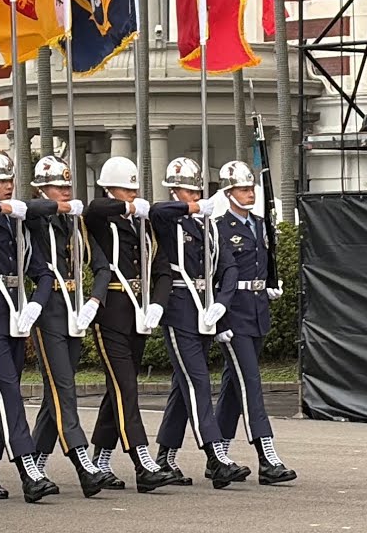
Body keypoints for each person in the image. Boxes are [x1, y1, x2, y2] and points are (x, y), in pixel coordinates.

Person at [0, 149, 58, 503]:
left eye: (9, 180)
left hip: (16, 313)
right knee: (8, 391)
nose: (7, 185)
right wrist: (6, 207)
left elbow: (43, 271)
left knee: (2, 392)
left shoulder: (18, 219)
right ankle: (29, 468)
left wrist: (36, 302)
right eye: (0, 180)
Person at [150, 158, 251, 489]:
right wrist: (189, 207)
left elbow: (229, 266)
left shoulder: (208, 223)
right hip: (179, 310)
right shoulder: (172, 221)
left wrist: (222, 303)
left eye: (194, 191)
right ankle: (216, 455)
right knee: (199, 383)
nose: (190, 197)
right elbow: (158, 212)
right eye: (183, 192)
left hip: (205, 311)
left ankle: (165, 456)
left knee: (183, 388)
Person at [82, 156, 176, 493]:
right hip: (110, 312)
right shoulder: (101, 217)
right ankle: (143, 461)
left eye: (135, 190)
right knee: (126, 387)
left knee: (119, 388)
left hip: (138, 312)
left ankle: (101, 460)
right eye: (126, 189)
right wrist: (126, 207)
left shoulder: (144, 224)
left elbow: (162, 268)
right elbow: (96, 206)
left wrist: (157, 304)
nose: (132, 195)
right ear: (111, 188)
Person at [23, 155, 108, 497]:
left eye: (68, 187)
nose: (65, 192)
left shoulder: (75, 224)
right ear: (42, 189)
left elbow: (101, 265)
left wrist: (94, 301)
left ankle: (35, 466)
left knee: (57, 391)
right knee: (64, 389)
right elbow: (29, 209)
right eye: (58, 186)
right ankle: (84, 463)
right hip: (46, 311)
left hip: (74, 310)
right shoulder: (33, 218)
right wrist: (55, 207)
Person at [211, 160, 297, 486]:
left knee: (234, 387)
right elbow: (216, 277)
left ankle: (216, 455)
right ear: (229, 193)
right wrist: (219, 320)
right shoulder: (219, 228)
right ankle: (267, 456)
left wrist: (271, 284)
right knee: (251, 383)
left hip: (258, 310)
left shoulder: (261, 225)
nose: (249, 194)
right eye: (243, 189)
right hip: (233, 314)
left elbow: (264, 262)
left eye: (251, 189)